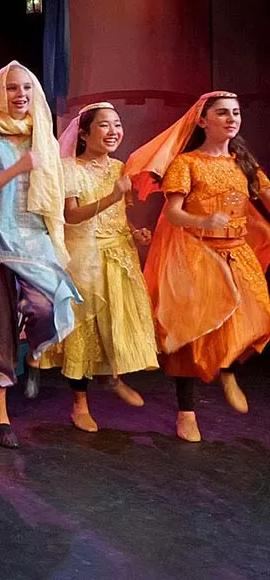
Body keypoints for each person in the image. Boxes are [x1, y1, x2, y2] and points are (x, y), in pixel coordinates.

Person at [125, 91, 270, 442]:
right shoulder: (187, 163)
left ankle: (228, 370)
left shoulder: (244, 162)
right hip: (197, 253)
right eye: (222, 113)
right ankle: (186, 413)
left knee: (256, 315)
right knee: (191, 333)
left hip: (236, 251)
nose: (231, 119)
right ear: (203, 121)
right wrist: (203, 221)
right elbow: (174, 213)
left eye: (236, 113)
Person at [0, 62, 80, 449]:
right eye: (12, 88)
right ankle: (0, 415)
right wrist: (18, 167)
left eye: (27, 87)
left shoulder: (42, 135)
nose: (20, 95)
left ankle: (31, 356)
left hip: (35, 241)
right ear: (0, 93)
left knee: (46, 308)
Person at [38, 103, 159, 432]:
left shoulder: (120, 168)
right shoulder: (70, 168)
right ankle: (80, 404)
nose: (113, 131)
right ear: (84, 133)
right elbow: (71, 216)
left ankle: (112, 375)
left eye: (117, 124)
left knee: (117, 322)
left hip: (119, 254)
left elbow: (120, 214)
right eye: (104, 125)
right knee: (85, 330)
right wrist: (111, 197)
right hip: (86, 257)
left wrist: (136, 232)